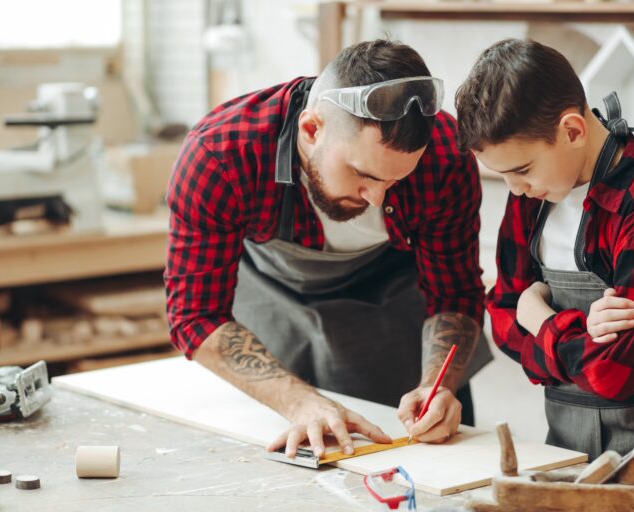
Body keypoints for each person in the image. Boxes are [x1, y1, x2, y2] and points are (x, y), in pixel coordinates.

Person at [165, 39, 492, 460]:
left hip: (393, 304)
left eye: (394, 182)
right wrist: (298, 401)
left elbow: (455, 292)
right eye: (362, 173)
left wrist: (437, 386)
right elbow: (195, 315)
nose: (376, 198)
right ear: (311, 129)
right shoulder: (222, 155)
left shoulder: (445, 155)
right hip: (271, 298)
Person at [454, 38, 634, 499]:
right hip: (566, 435)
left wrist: (543, 320)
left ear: (572, 130)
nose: (515, 189)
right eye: (504, 177)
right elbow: (502, 321)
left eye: (523, 169)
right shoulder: (531, 200)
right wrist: (577, 337)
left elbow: (615, 373)